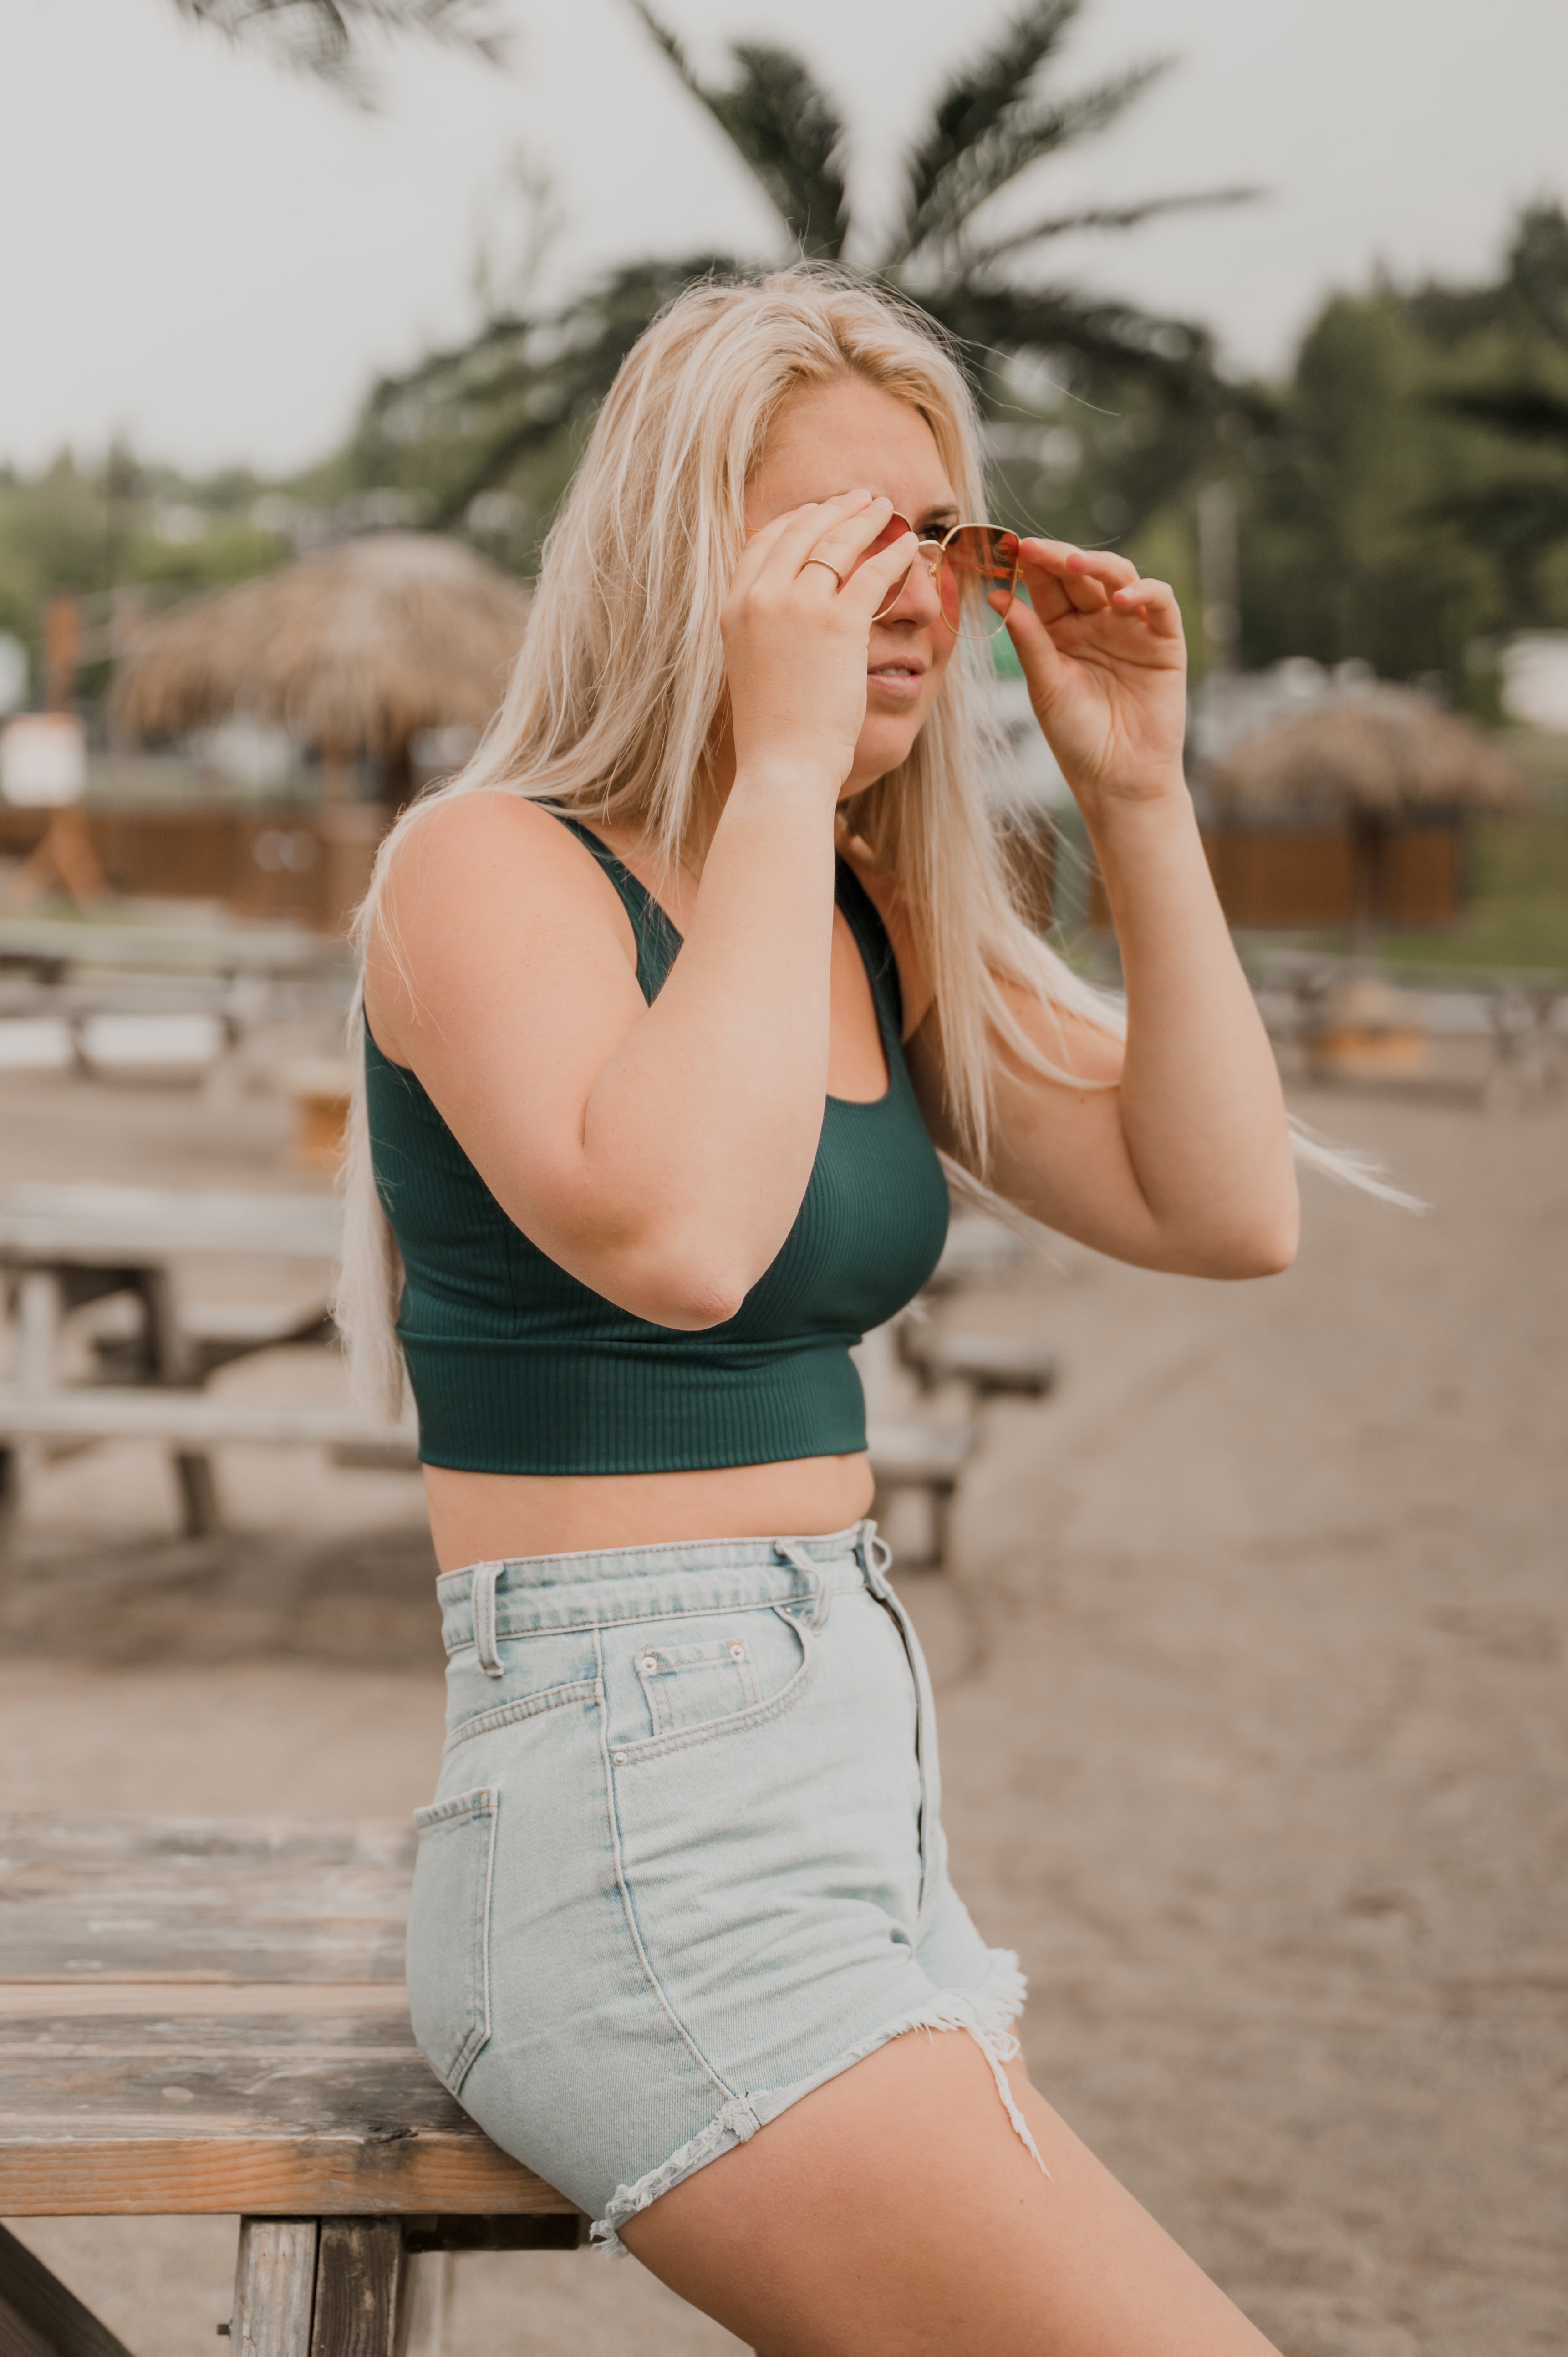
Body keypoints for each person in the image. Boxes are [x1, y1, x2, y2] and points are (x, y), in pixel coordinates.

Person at [343, 268, 1310, 2355]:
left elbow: (1226, 1207)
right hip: (634, 1840)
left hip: (853, 1819)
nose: (913, 595)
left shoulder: (863, 911)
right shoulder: (486, 867)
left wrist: (1139, 795)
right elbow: (683, 1238)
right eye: (842, 541)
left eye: (942, 538)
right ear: (678, 557)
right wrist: (782, 775)